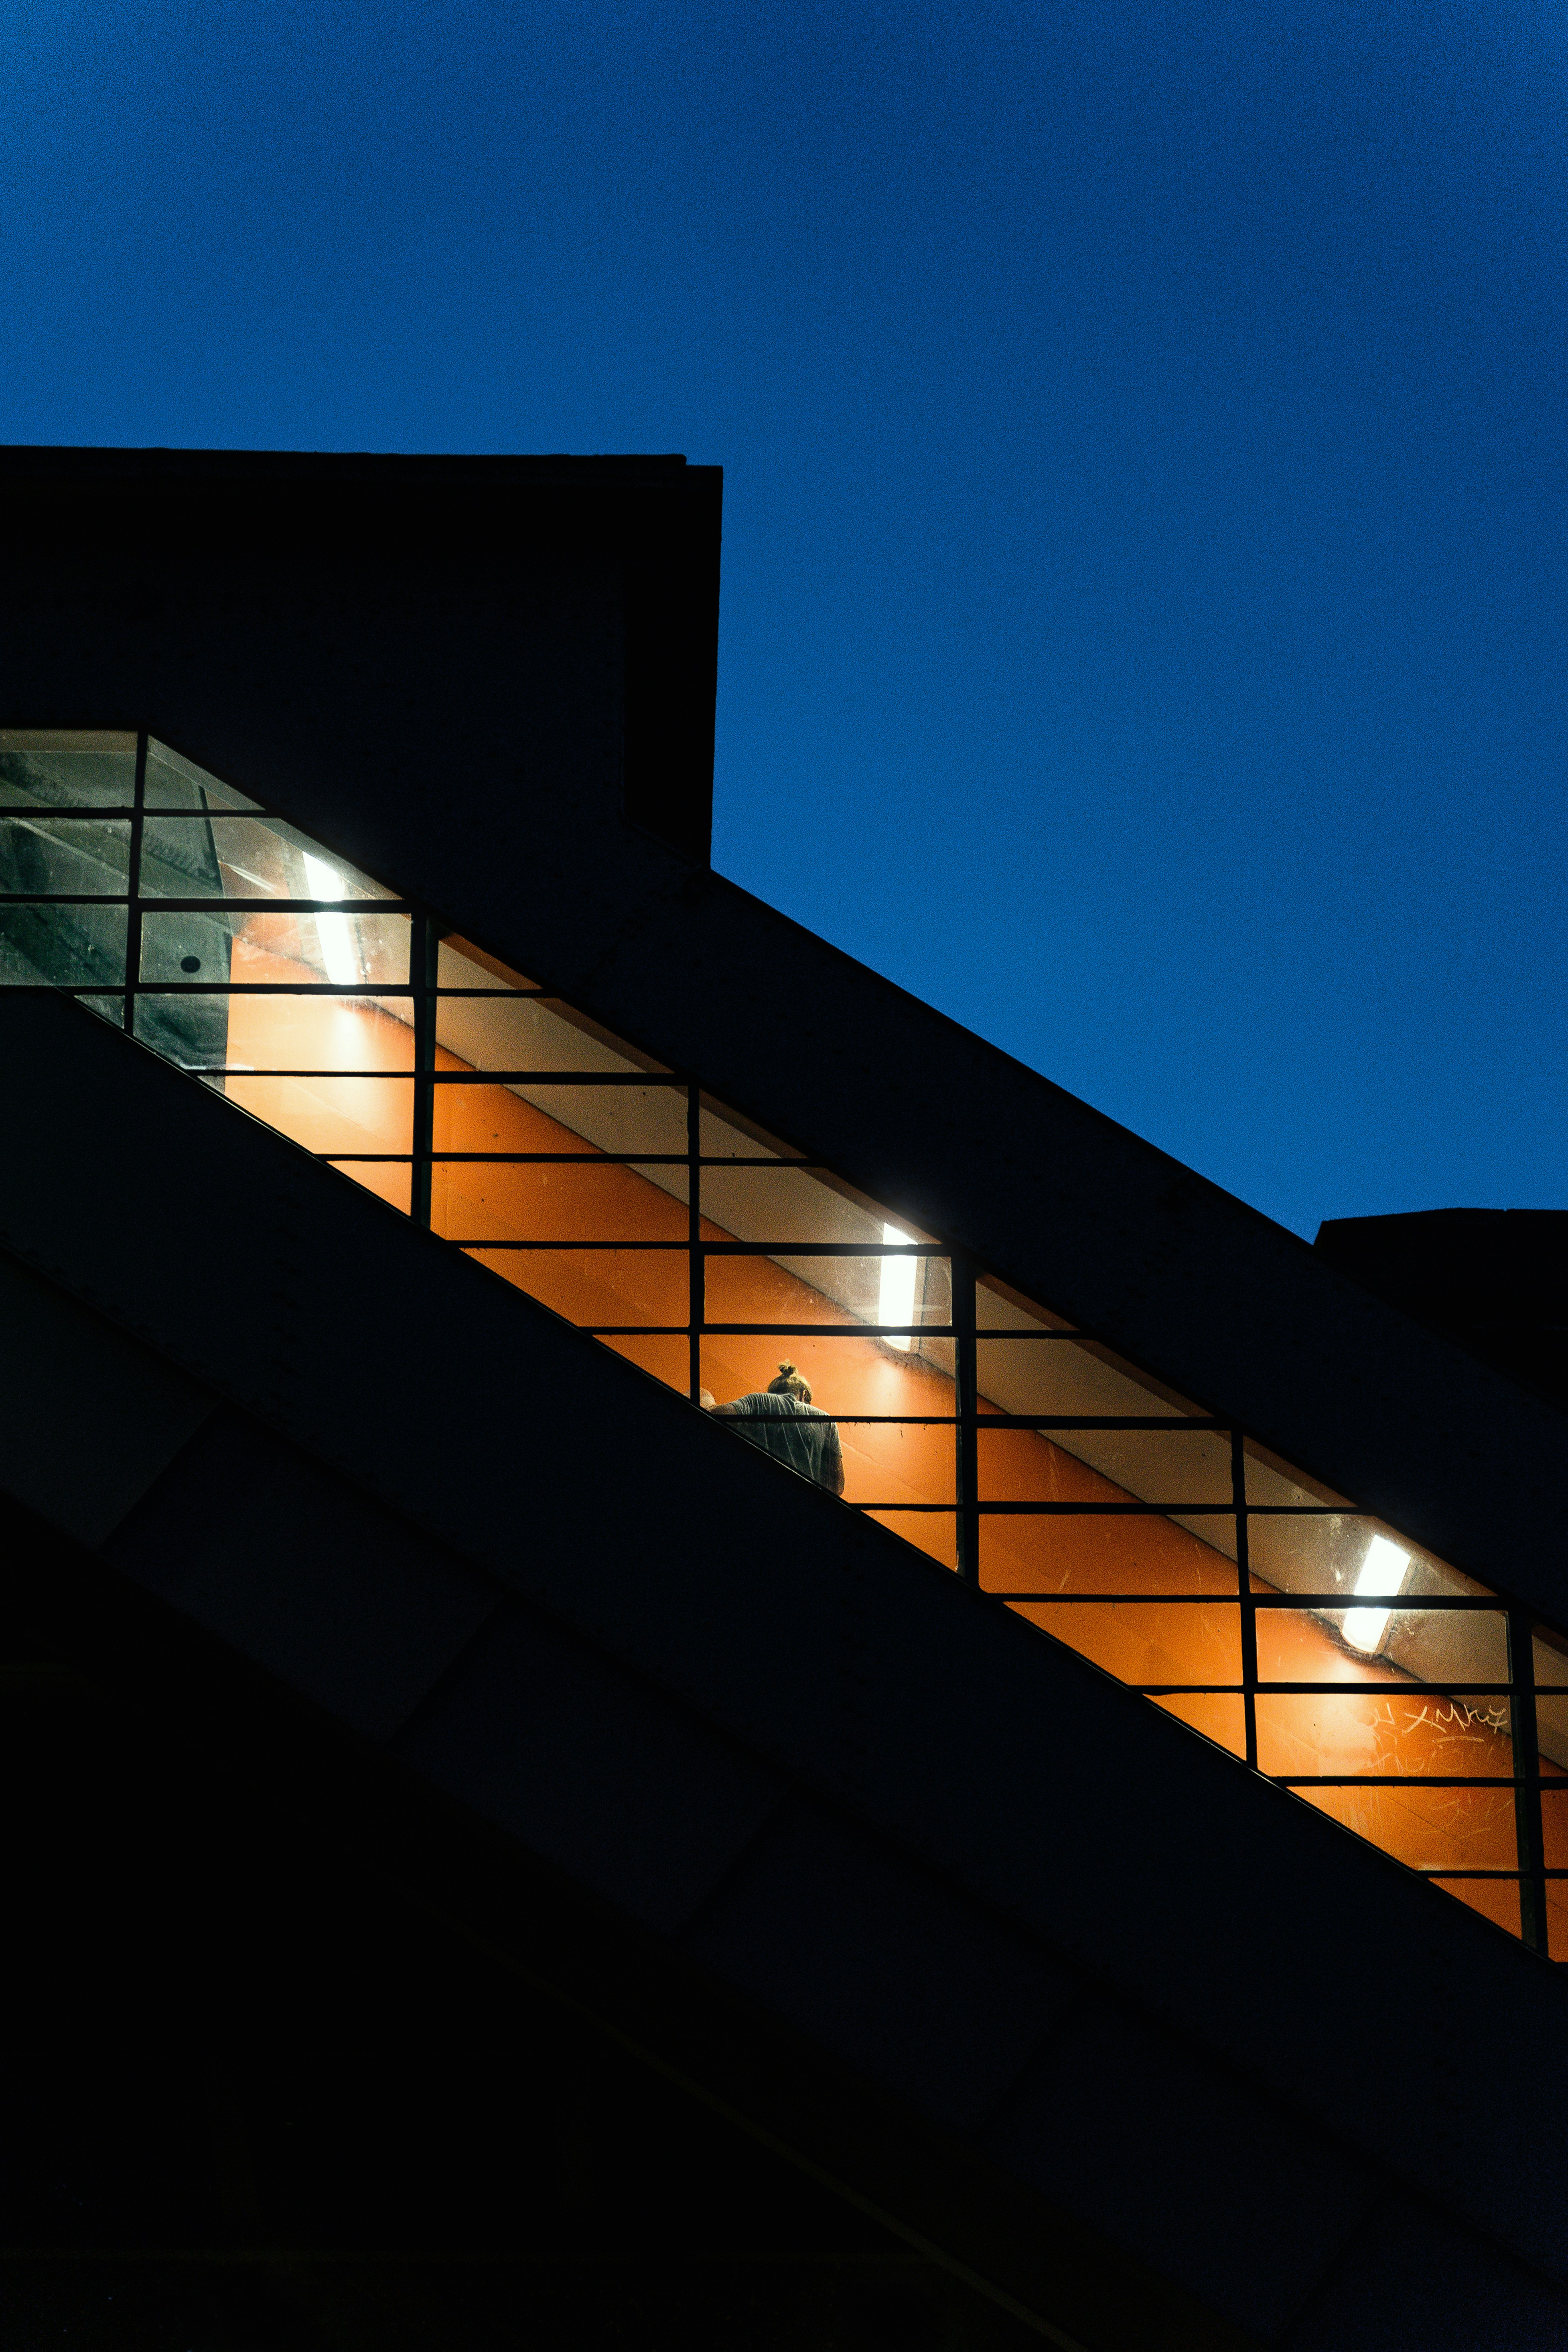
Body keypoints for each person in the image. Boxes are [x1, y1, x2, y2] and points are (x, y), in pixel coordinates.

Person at [701, 1362, 845, 1496]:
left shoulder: (758, 1401)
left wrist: (706, 1400)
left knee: (702, 1394)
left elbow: (717, 1415)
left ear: (772, 1392)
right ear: (804, 1395)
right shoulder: (827, 1421)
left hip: (761, 1497)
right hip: (805, 1509)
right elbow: (837, 1487)